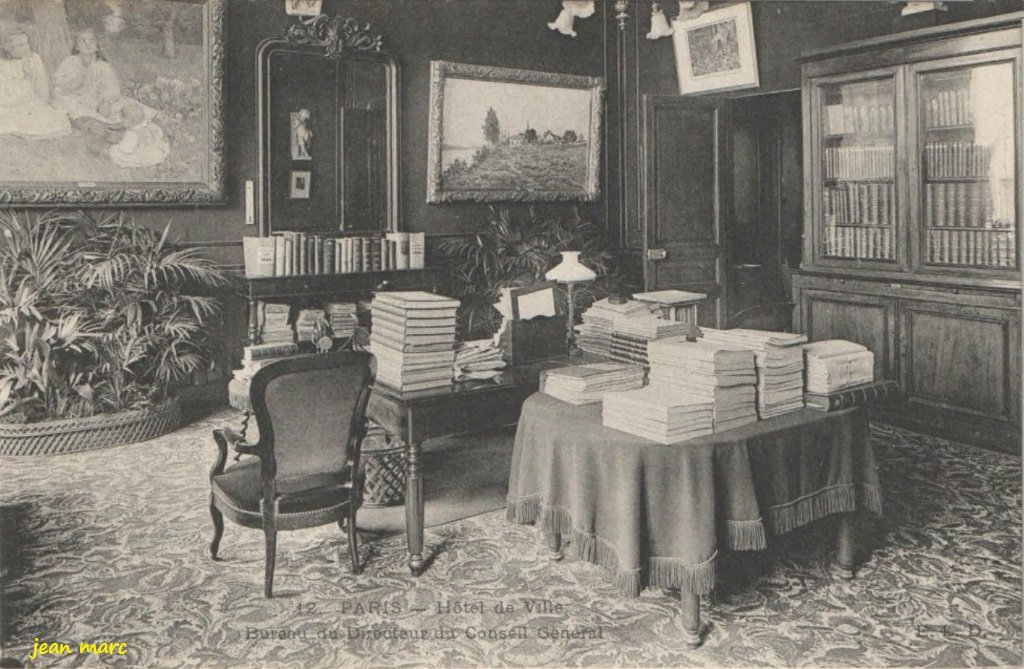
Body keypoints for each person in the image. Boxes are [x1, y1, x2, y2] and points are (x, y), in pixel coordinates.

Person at [0, 28, 72, 139]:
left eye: (27, 43)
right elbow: (5, 97)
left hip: (31, 103)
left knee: (53, 120)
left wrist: (42, 103)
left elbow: (42, 90)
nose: (26, 48)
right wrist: (26, 79)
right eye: (20, 45)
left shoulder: (34, 59)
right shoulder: (3, 64)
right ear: (8, 48)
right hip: (8, 105)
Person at [52, 29, 122, 122]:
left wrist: (106, 102)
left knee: (117, 110)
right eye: (82, 41)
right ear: (77, 47)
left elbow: (112, 88)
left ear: (97, 47)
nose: (87, 44)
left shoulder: (103, 66)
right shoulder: (70, 62)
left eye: (91, 41)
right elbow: (60, 83)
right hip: (73, 101)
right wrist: (78, 75)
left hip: (95, 103)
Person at [107, 99, 169, 168]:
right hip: (154, 152)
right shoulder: (151, 126)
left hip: (142, 156)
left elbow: (126, 150)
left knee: (114, 151)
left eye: (123, 120)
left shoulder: (132, 133)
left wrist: (120, 143)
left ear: (128, 121)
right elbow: (160, 134)